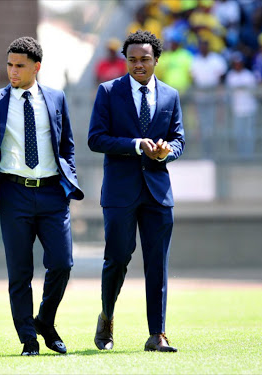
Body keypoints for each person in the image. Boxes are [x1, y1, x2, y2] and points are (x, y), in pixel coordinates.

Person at [0, 36, 83, 356]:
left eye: (19, 66)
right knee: (20, 272)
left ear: (37, 67)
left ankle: (45, 320)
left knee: (62, 263)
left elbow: (67, 145)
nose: (12, 71)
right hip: (14, 193)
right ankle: (28, 339)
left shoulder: (57, 98)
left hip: (51, 194)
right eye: (9, 65)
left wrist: (68, 180)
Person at [88, 30, 185, 353]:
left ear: (156, 59)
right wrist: (135, 145)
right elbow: (96, 139)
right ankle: (107, 316)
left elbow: (179, 140)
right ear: (125, 61)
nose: (138, 65)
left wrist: (165, 151)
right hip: (120, 192)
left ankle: (157, 333)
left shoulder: (171, 96)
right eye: (132, 60)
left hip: (158, 192)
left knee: (157, 262)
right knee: (117, 258)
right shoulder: (108, 92)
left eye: (144, 59)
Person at [225, 52, 257, 156]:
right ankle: (239, 154)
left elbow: (255, 91)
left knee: (249, 133)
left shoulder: (249, 75)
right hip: (237, 109)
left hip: (249, 108)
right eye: (235, 63)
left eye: (239, 62)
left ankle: (249, 154)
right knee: (238, 133)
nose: (237, 64)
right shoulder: (230, 76)